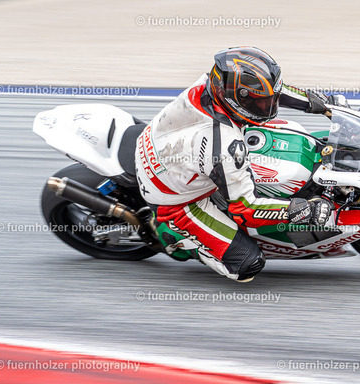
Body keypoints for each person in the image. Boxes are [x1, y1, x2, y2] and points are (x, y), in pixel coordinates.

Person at [135, 46, 336, 282]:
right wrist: (301, 209)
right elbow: (246, 208)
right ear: (237, 98)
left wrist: (319, 103)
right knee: (247, 264)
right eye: (261, 103)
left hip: (167, 146)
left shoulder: (213, 83)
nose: (269, 107)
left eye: (270, 100)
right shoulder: (223, 144)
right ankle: (176, 239)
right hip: (176, 200)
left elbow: (269, 91)